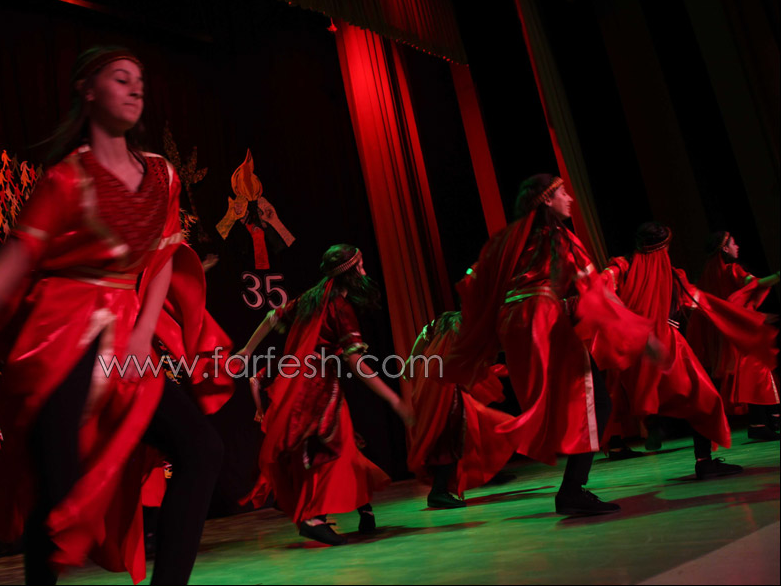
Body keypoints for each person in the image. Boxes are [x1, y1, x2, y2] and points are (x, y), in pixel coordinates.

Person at [0, 46, 231, 585]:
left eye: (140, 80)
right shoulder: (67, 180)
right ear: (88, 91)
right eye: (121, 78)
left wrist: (142, 333)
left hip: (127, 334)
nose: (136, 88)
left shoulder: (162, 174)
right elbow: (10, 266)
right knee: (56, 488)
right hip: (61, 337)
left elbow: (164, 256)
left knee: (202, 449)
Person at [430, 175, 658, 516]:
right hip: (541, 318)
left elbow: (472, 278)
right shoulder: (559, 237)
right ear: (547, 200)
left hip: (516, 323)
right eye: (563, 192)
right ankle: (569, 488)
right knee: (593, 400)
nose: (571, 198)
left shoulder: (511, 240)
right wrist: (639, 335)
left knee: (576, 401)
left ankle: (561, 477)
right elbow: (594, 289)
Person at [237, 244, 414, 546]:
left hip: (299, 382)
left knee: (329, 449)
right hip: (319, 385)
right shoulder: (340, 308)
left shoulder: (310, 299)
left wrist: (247, 349)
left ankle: (349, 509)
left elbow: (271, 316)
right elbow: (355, 362)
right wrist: (394, 399)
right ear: (349, 273)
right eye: (360, 267)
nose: (365, 272)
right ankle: (313, 518)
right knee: (332, 449)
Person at [600, 223, 775, 477]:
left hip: (634, 346)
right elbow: (700, 302)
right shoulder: (669, 274)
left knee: (642, 393)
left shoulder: (622, 268)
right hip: (667, 345)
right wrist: (745, 319)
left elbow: (599, 290)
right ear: (664, 248)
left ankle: (654, 421)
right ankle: (702, 460)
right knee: (704, 400)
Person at [404, 311, 518, 509]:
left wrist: (410, 363)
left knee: (473, 425)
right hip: (445, 384)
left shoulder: (444, 321)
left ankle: (486, 471)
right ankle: (438, 491)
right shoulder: (465, 323)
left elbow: (423, 336)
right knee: (453, 430)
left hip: (434, 381)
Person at [688, 231, 780, 439]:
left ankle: (765, 420)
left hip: (723, 333)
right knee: (757, 371)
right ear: (724, 248)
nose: (737, 247)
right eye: (734, 244)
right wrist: (777, 276)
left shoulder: (706, 275)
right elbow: (754, 284)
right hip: (740, 330)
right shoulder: (732, 269)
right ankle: (762, 423)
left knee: (750, 374)